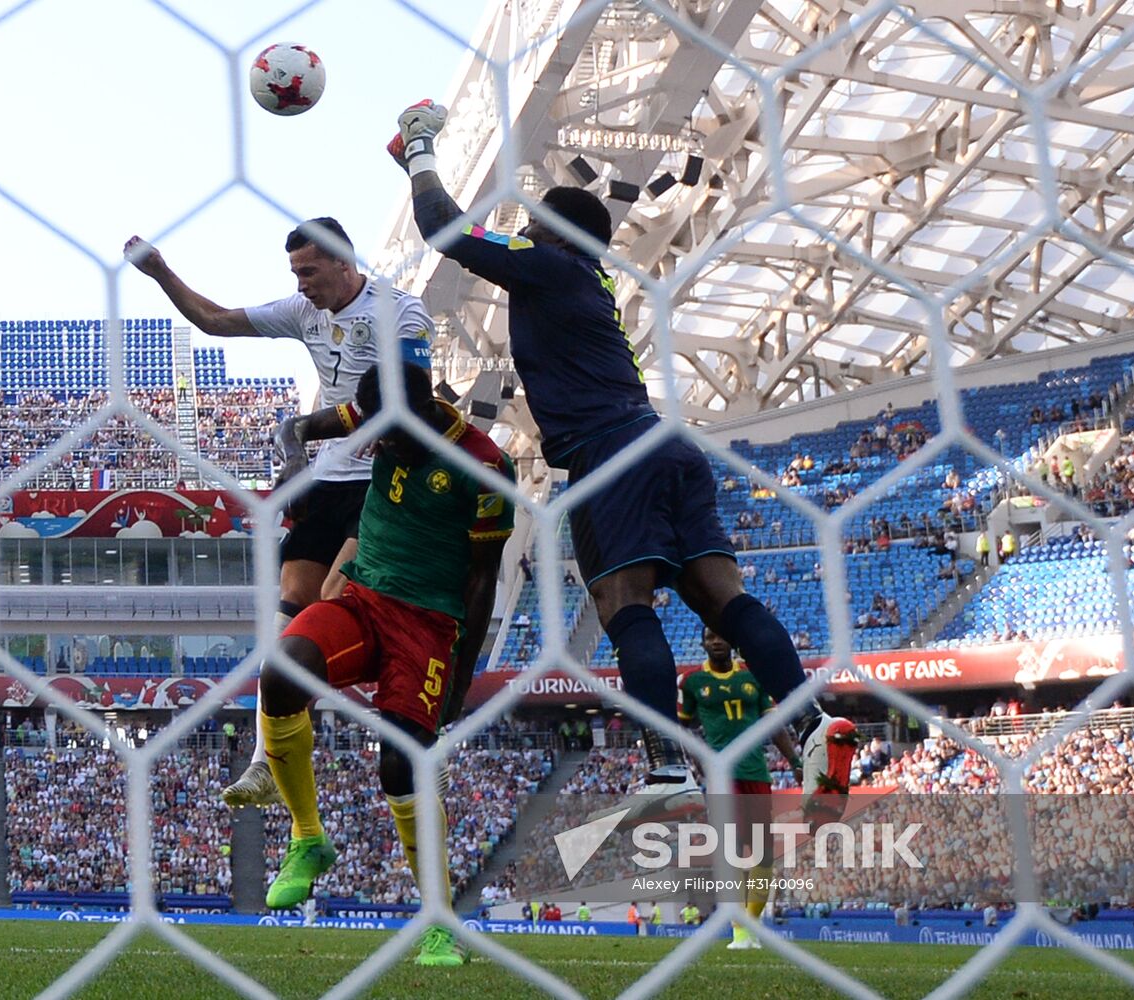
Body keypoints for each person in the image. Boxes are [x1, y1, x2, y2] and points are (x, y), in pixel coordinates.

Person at [388, 100, 855, 806]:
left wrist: (422, 152)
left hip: (610, 453)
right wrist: (410, 167)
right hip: (667, 442)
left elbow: (443, 230)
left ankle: (666, 768)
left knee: (621, 603)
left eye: (535, 219)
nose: (524, 227)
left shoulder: (548, 264)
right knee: (722, 597)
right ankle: (814, 719)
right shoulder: (589, 280)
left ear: (556, 231)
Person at [125, 219, 436, 809]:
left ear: (345, 262)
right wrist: (161, 272)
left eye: (309, 271)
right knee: (286, 619)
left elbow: (418, 390)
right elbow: (215, 322)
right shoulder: (304, 312)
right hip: (328, 481)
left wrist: (388, 422)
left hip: (384, 479)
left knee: (332, 603)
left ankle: (406, 734)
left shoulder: (401, 311)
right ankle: (267, 758)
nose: (301, 285)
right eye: (295, 274)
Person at [246, 364, 514, 969]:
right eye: (377, 432)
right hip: (362, 599)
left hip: (428, 623)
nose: (384, 444)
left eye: (394, 432)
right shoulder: (368, 417)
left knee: (400, 765)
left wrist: (462, 673)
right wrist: (293, 460)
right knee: (283, 668)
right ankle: (308, 838)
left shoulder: (486, 467)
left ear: (425, 409)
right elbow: (296, 426)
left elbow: (482, 577)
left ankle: (439, 924)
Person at [679, 626, 806, 950]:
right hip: (722, 778)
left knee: (763, 856)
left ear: (732, 641)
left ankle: (752, 921)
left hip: (757, 773)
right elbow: (679, 728)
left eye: (721, 635)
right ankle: (739, 931)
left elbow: (774, 725)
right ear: (702, 643)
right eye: (709, 637)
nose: (717, 641)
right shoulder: (693, 682)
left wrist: (794, 761)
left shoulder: (753, 678)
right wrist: (699, 759)